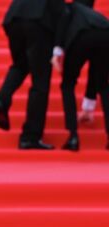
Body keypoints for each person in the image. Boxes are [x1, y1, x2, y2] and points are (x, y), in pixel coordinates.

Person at [0, 0, 66, 149]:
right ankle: (30, 136)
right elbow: (61, 13)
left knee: (20, 65)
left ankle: (2, 99)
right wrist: (58, 48)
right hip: (38, 22)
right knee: (40, 82)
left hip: (13, 19)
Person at [51, 1, 109, 151]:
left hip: (80, 36)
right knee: (103, 85)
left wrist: (57, 51)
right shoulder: (95, 15)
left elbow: (63, 21)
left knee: (67, 84)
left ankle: (73, 137)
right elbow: (93, 74)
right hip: (105, 34)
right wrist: (88, 107)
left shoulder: (68, 8)